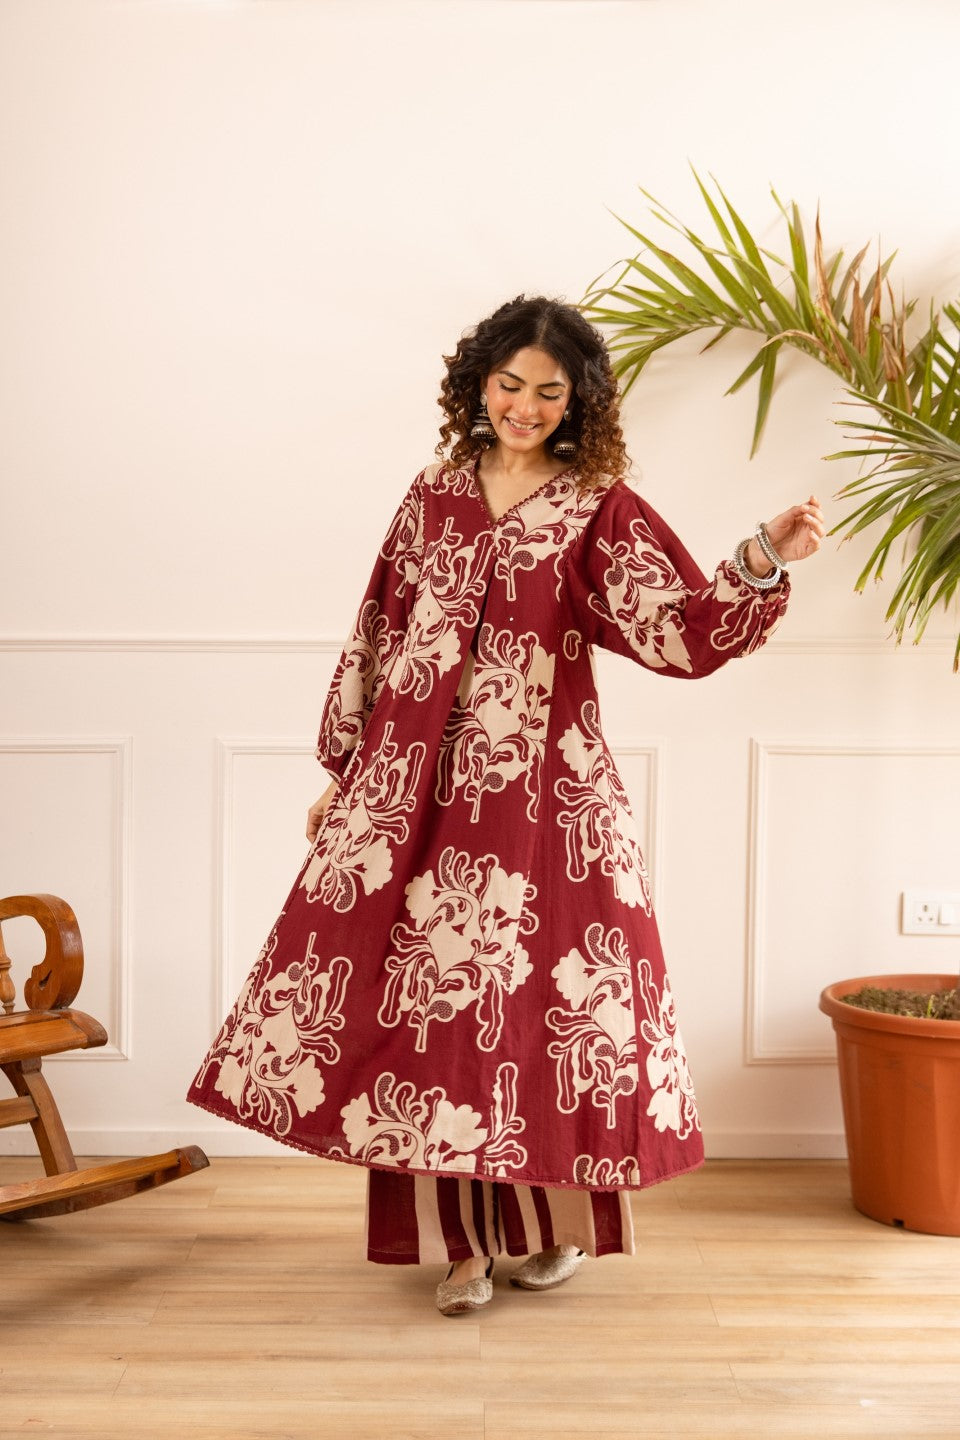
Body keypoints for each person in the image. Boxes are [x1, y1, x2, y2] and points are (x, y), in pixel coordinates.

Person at [188, 295, 824, 1316]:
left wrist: (761, 556)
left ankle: (551, 1229)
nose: (525, 406)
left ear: (579, 402)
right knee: (430, 1014)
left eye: (549, 392)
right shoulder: (432, 496)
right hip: (418, 796)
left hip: (546, 804)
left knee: (543, 1015)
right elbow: (380, 632)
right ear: (478, 385)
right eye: (509, 384)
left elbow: (678, 630)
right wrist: (346, 774)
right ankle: (463, 1248)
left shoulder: (597, 508)